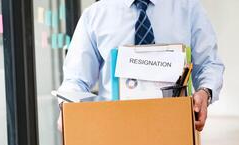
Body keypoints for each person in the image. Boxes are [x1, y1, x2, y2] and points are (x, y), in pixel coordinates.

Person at [57, 0, 224, 132]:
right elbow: (76, 79)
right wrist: (66, 108)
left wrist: (205, 92)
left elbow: (209, 63)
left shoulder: (188, 8)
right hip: (113, 131)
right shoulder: (95, 15)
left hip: (174, 129)